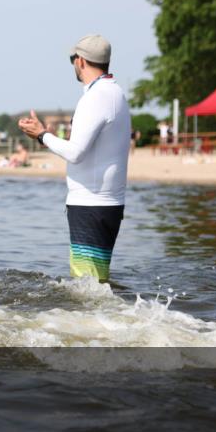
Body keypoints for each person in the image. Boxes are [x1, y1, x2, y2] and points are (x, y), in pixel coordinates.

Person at [18, 34, 131, 282]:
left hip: (90, 204)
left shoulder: (95, 97)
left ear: (80, 61)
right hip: (109, 204)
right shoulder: (116, 94)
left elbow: (75, 152)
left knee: (86, 287)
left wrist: (41, 135)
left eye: (72, 59)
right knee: (98, 283)